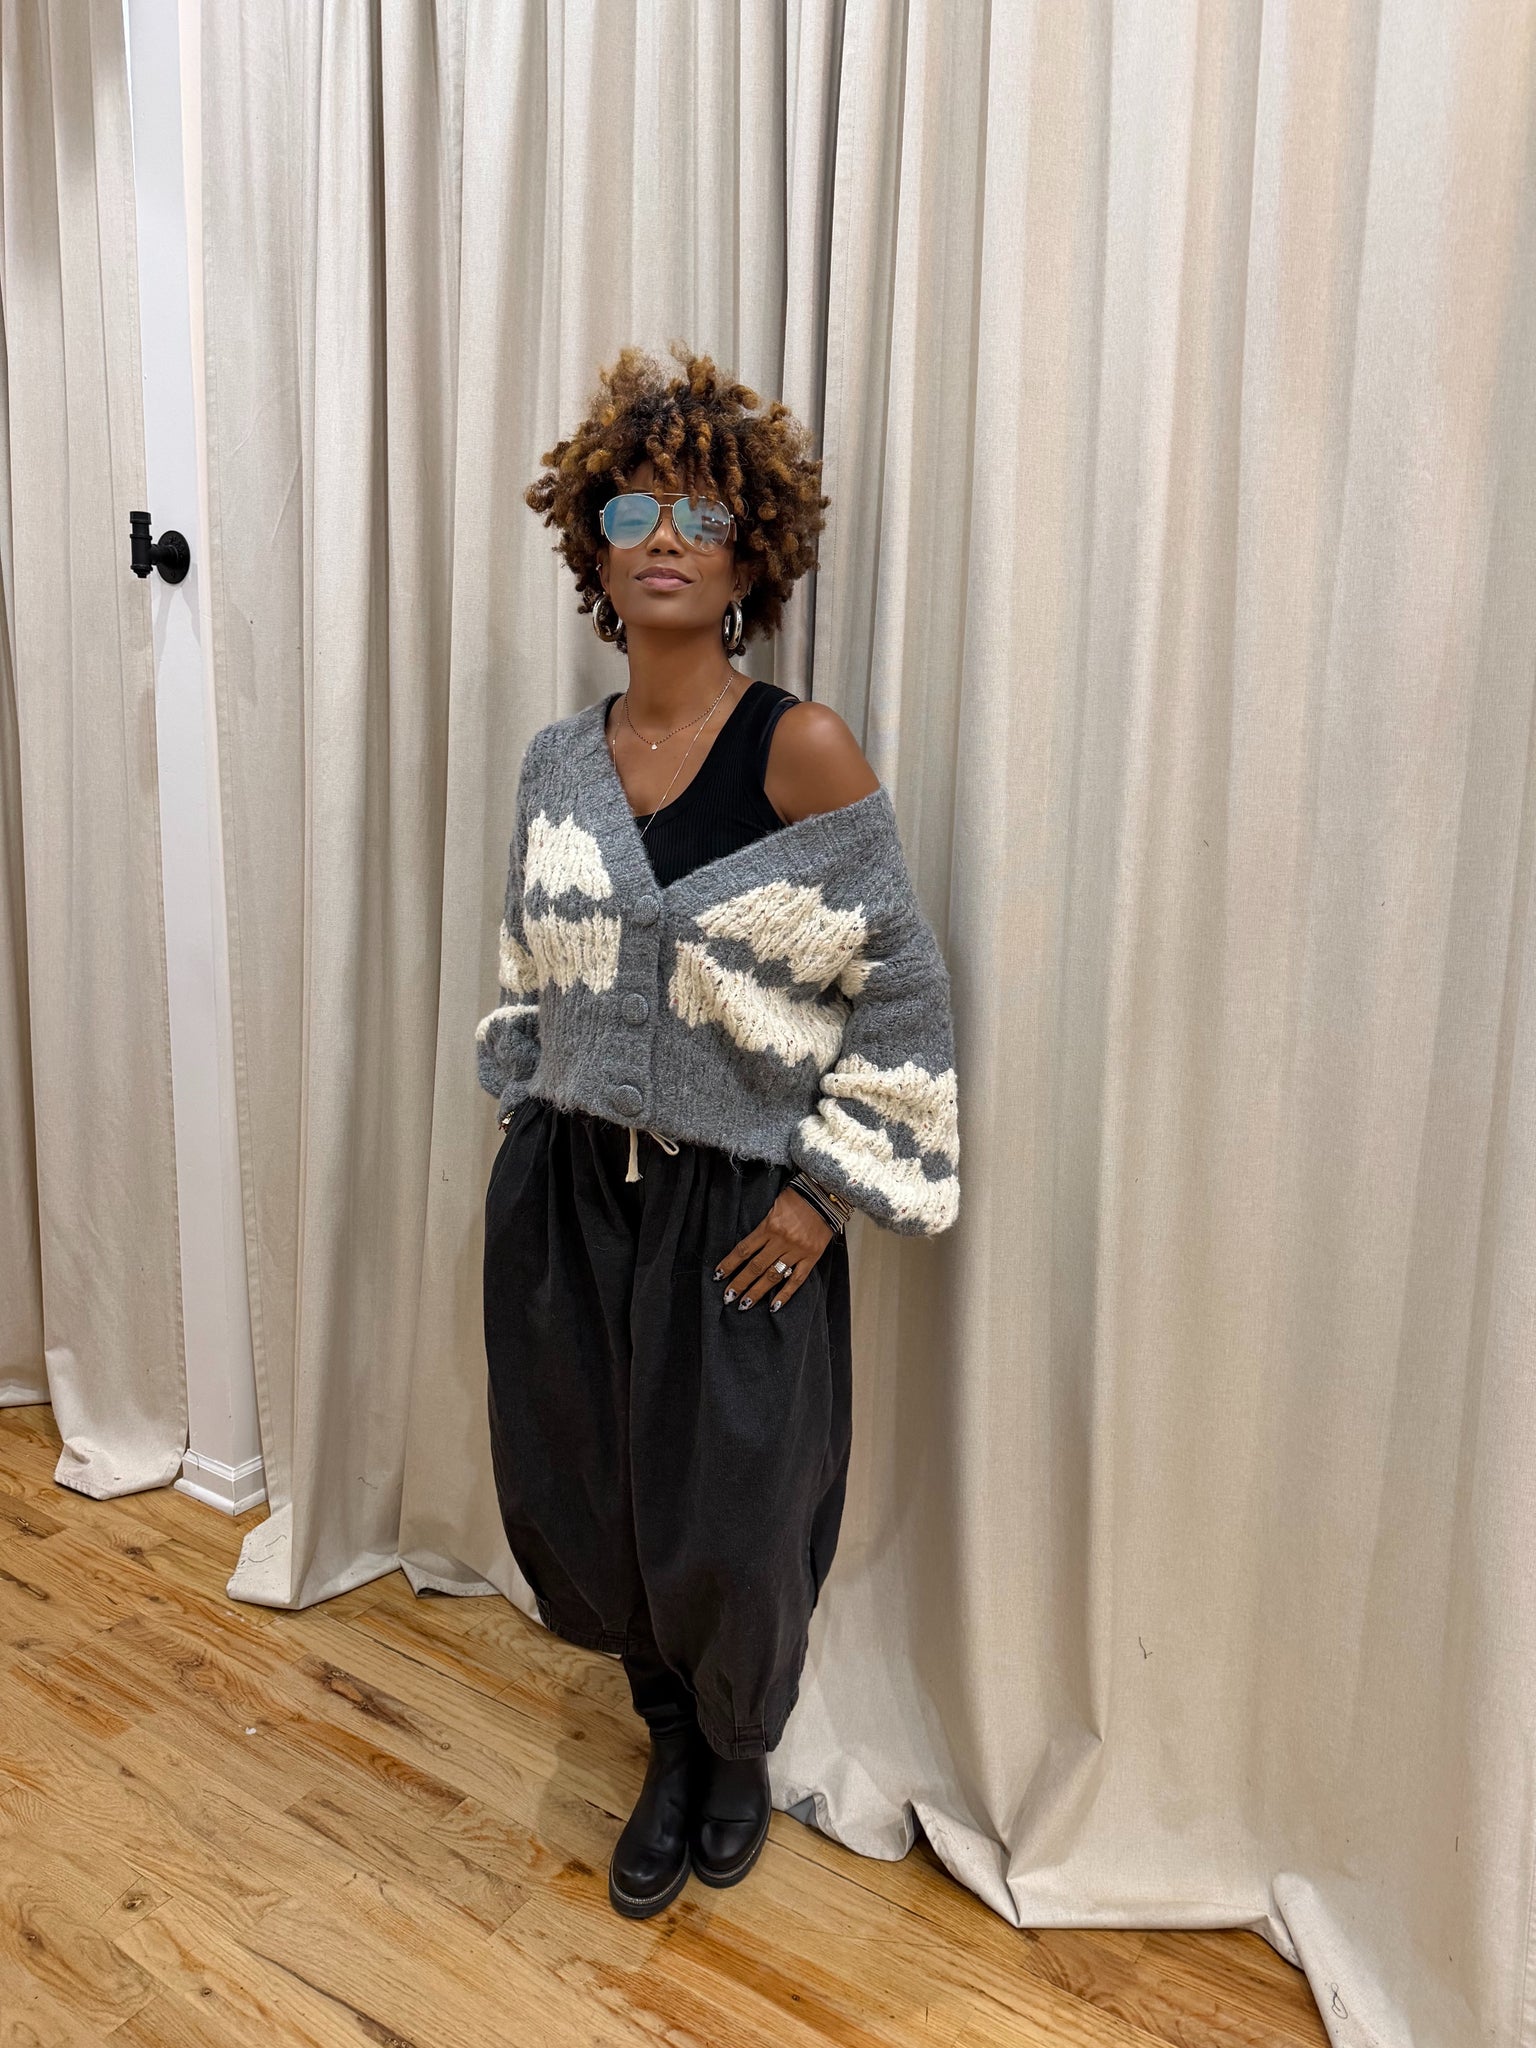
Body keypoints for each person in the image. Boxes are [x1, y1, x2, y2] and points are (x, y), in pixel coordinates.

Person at [478, 342, 960, 1920]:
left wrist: (823, 1196)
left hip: (738, 1211)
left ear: (752, 554)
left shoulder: (800, 750)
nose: (665, 535)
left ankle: (738, 1749)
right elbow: (528, 960)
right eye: (633, 509)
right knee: (593, 1489)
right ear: (595, 552)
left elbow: (901, 994)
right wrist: (527, 1117)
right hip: (569, 1194)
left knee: (738, 1509)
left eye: (700, 510)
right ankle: (668, 1739)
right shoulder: (559, 764)